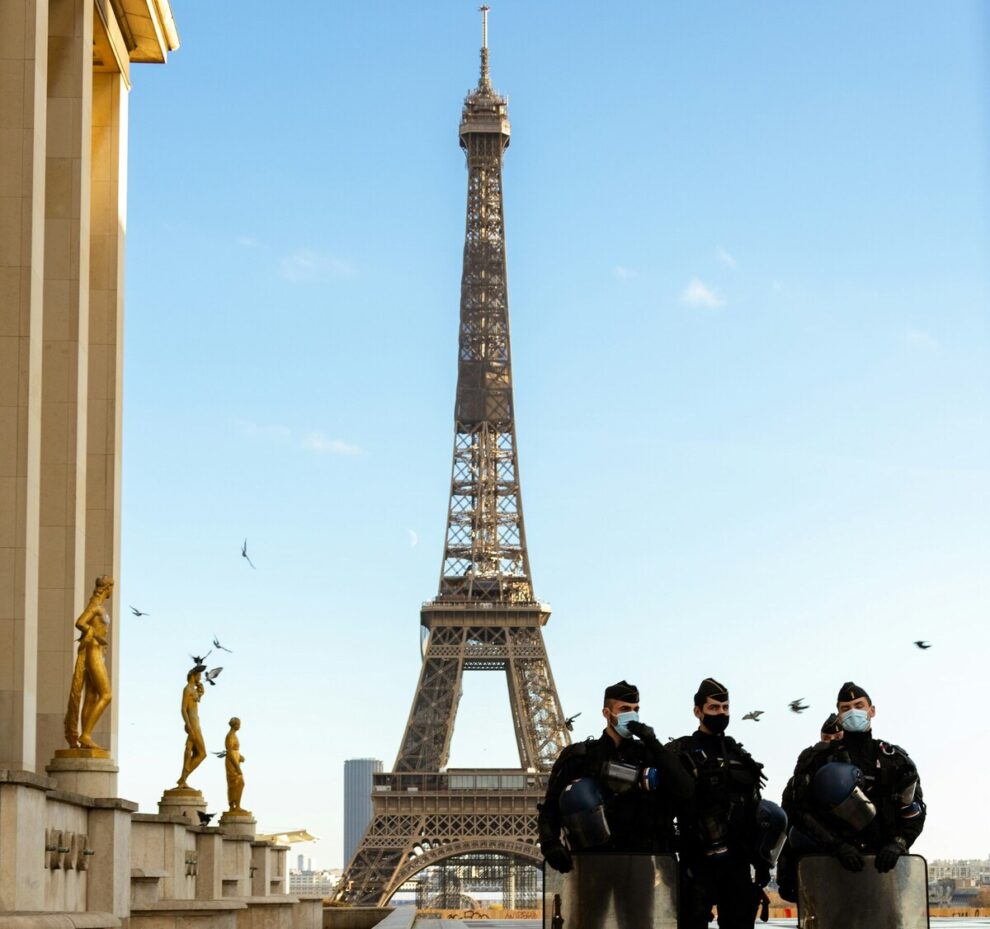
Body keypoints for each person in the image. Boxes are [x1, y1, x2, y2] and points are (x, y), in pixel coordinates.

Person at [538, 680, 694, 927]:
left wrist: (653, 742)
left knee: (639, 924)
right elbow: (550, 808)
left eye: (636, 708)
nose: (631, 714)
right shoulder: (580, 757)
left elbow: (685, 791)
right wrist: (549, 843)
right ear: (606, 713)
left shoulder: (650, 755)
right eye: (624, 709)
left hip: (638, 861)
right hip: (592, 862)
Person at [782, 682, 925, 883]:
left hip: (887, 871)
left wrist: (898, 843)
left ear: (871, 710)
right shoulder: (817, 759)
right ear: (839, 715)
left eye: (859, 706)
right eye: (845, 708)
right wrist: (836, 846)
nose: (853, 712)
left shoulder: (895, 759)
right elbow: (797, 810)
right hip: (833, 869)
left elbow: (914, 811)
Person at [672, 677, 771, 929]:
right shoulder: (680, 752)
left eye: (725, 707)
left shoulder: (738, 754)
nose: (721, 713)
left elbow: (754, 808)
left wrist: (761, 862)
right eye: (714, 708)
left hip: (738, 862)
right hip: (697, 862)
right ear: (698, 711)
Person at [64, 575, 115, 750]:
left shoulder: (99, 606)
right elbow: (80, 622)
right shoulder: (95, 606)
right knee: (106, 695)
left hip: (99, 652)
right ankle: (85, 735)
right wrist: (95, 634)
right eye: (111, 587)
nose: (112, 591)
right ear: (107, 588)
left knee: (92, 697)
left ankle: (86, 738)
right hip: (93, 650)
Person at [177, 667, 207, 788]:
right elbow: (183, 709)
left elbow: (197, 699)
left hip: (196, 723)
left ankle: (183, 779)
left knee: (194, 751)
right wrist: (188, 725)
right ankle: (183, 778)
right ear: (193, 675)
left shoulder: (193, 690)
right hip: (192, 724)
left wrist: (201, 692)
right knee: (200, 753)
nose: (200, 678)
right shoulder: (187, 689)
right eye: (199, 675)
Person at [224, 717, 248, 812]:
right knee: (236, 783)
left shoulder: (234, 735)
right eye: (239, 724)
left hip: (235, 760)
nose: (240, 726)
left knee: (239, 783)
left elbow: (234, 750)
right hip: (232, 763)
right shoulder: (230, 736)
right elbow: (229, 751)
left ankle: (236, 805)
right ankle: (233, 805)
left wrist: (240, 756)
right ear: (235, 725)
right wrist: (237, 767)